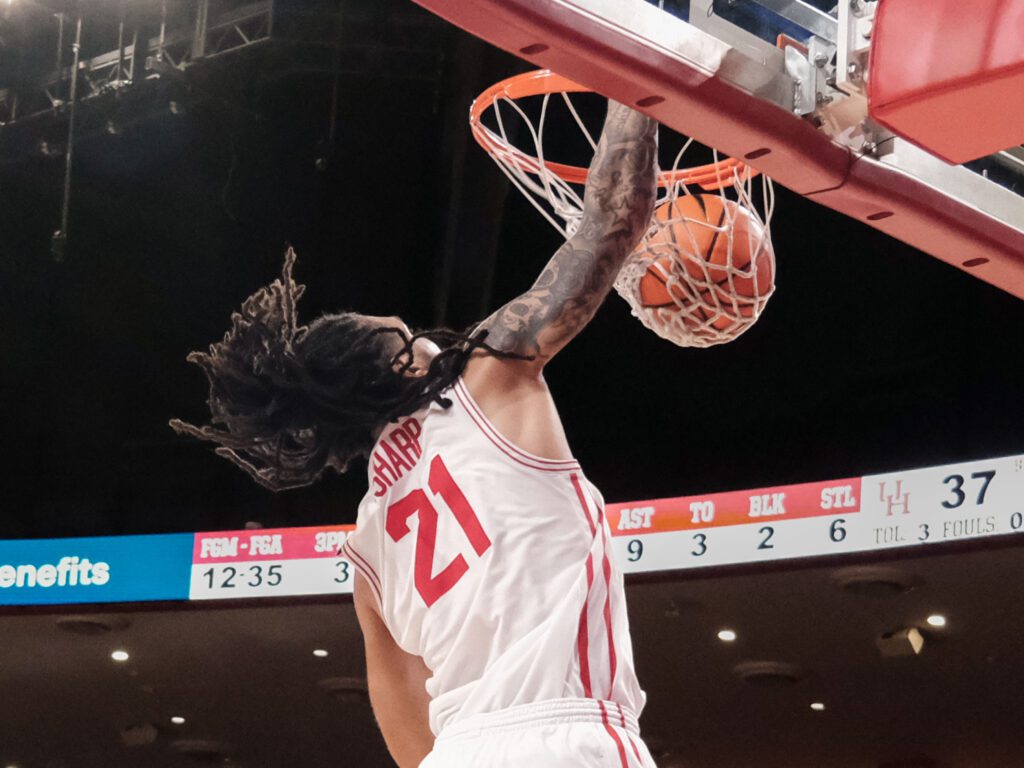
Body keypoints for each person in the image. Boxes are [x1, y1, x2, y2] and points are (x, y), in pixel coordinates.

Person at [171, 99, 658, 767]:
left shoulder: (368, 545)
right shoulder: (483, 380)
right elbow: (608, 225)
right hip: (563, 733)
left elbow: (404, 722)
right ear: (402, 363)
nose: (430, 335)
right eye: (408, 332)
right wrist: (640, 82)